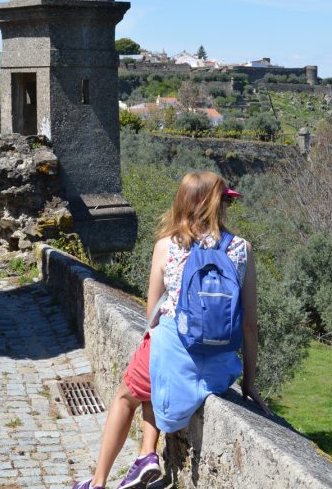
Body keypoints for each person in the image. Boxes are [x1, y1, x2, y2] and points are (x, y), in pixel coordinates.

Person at [72, 170, 270, 489]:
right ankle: (144, 456)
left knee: (126, 396)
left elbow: (152, 315)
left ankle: (98, 481)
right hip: (220, 368)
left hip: (173, 351)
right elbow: (249, 324)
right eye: (225, 203)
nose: (227, 209)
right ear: (215, 206)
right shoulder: (242, 249)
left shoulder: (167, 246)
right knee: (156, 371)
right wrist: (248, 382)